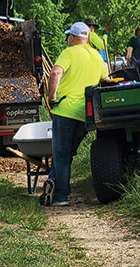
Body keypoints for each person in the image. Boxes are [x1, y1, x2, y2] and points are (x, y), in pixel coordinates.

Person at [40, 22, 108, 207]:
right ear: (86, 37)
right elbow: (106, 79)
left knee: (61, 154)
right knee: (68, 153)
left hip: (65, 111)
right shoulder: (97, 56)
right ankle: (55, 183)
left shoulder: (68, 52)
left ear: (72, 37)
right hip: (85, 115)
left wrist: (52, 96)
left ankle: (60, 196)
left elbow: (55, 73)